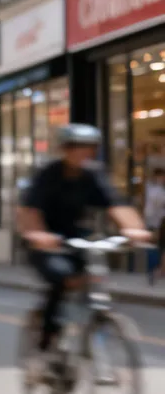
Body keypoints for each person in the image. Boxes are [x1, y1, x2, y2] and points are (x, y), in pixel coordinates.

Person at [17, 124, 150, 354]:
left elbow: (116, 204)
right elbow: (30, 211)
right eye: (77, 147)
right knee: (61, 278)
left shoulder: (93, 174)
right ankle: (48, 337)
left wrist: (134, 229)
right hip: (47, 243)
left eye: (89, 148)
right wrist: (38, 235)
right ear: (65, 149)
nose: (83, 153)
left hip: (76, 237)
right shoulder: (48, 174)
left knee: (93, 274)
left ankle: (89, 322)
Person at [143, 167, 165, 282]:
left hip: (157, 222)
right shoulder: (154, 189)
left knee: (156, 248)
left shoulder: (153, 188)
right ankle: (153, 270)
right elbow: (157, 203)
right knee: (153, 247)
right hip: (154, 222)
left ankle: (155, 270)